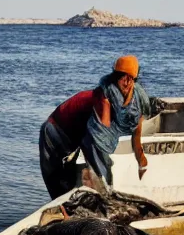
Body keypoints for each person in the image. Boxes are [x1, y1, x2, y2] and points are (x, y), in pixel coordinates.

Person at [39, 55, 150, 199]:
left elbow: (136, 136)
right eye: (121, 76)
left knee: (75, 180)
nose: (126, 81)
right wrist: (106, 185)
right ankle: (66, 213)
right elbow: (97, 142)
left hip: (76, 133)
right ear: (114, 77)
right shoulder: (103, 97)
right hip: (56, 131)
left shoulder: (136, 103)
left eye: (130, 77)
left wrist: (142, 164)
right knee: (59, 183)